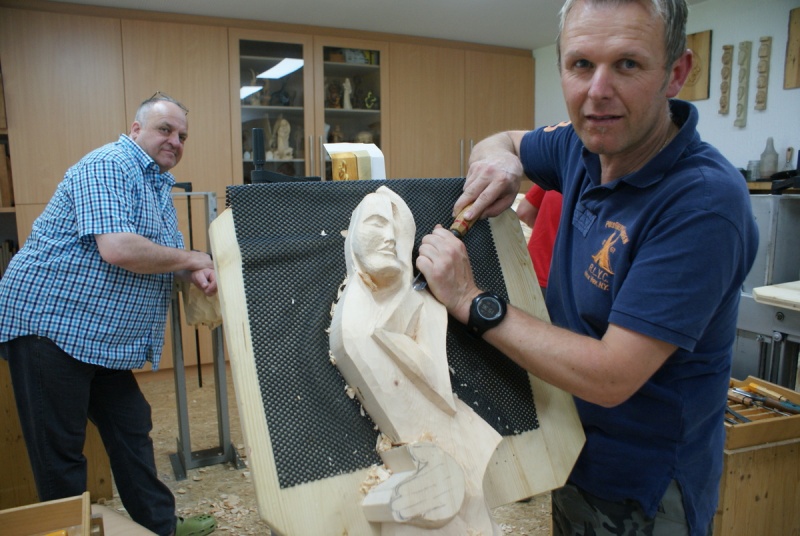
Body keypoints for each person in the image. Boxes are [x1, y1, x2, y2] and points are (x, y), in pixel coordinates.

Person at [415, 1, 759, 535]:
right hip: (569, 444)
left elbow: (612, 375)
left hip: (642, 487)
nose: (598, 91)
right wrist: (500, 160)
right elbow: (504, 140)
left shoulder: (703, 203)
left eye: (627, 64)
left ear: (676, 72)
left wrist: (469, 300)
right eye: (581, 64)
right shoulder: (581, 145)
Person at [0, 93, 218, 536]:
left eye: (182, 136)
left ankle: (160, 527)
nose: (175, 141)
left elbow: (163, 255)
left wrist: (191, 272)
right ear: (136, 130)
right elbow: (119, 248)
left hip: (98, 337)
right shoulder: (109, 165)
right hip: (51, 325)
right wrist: (194, 257)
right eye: (165, 129)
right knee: (61, 451)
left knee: (131, 426)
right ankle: (69, 531)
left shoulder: (157, 187)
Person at [330, 186, 501, 534]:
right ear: (354, 234)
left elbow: (439, 389)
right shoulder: (352, 318)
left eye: (399, 230)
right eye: (376, 224)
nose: (389, 237)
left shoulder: (424, 307)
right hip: (418, 462)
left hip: (452, 448)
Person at [515, 183, 563, 295]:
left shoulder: (562, 173)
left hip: (531, 270)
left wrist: (545, 227)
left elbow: (524, 211)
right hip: (569, 284)